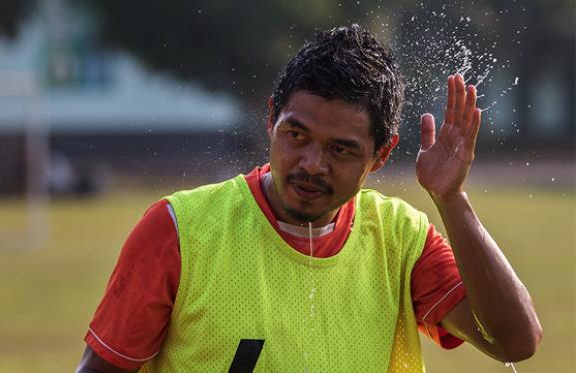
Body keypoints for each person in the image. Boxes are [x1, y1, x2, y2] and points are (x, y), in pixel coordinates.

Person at [76, 25, 541, 372]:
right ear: (271, 119)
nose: (312, 164)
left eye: (341, 149)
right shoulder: (179, 230)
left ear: (381, 156)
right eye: (296, 134)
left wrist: (452, 199)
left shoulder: (401, 240)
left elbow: (514, 342)